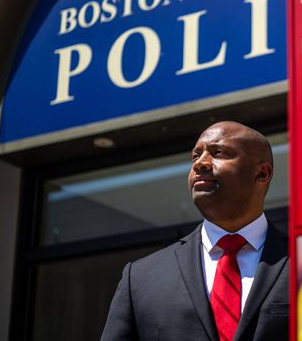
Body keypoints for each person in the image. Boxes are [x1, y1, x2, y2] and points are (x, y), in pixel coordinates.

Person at [101, 121, 289, 341]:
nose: (201, 163)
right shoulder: (140, 278)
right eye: (195, 156)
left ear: (262, 173)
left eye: (218, 152)